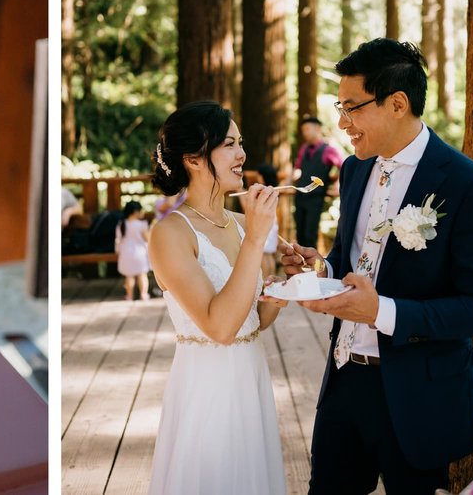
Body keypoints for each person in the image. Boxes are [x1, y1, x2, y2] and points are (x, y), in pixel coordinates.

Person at [280, 39, 473, 494]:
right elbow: (350, 260)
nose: (342, 123)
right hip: (344, 381)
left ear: (397, 103)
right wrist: (322, 271)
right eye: (338, 107)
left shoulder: (468, 184)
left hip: (419, 396)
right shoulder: (354, 170)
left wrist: (382, 312)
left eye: (352, 108)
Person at [147, 100, 287, 494]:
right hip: (207, 385)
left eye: (240, 143)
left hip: (251, 374)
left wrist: (280, 290)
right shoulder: (170, 233)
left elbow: (251, 320)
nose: (242, 154)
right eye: (229, 144)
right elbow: (220, 327)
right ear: (193, 158)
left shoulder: (242, 223)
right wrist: (259, 238)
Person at [293, 115, 344, 248]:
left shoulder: (328, 150)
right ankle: (300, 264)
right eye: (303, 129)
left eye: (307, 129)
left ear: (317, 129)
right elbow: (297, 169)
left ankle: (311, 266)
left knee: (310, 233)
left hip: (315, 197)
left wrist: (337, 184)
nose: (305, 133)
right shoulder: (304, 149)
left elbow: (343, 166)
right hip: (300, 195)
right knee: (300, 233)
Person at [115, 200, 151, 301]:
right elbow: (147, 238)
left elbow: (118, 240)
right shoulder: (141, 225)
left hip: (126, 253)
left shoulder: (121, 224)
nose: (142, 213)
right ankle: (144, 294)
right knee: (142, 275)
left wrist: (117, 251)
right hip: (139, 253)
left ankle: (129, 296)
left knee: (129, 276)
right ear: (135, 212)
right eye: (141, 211)